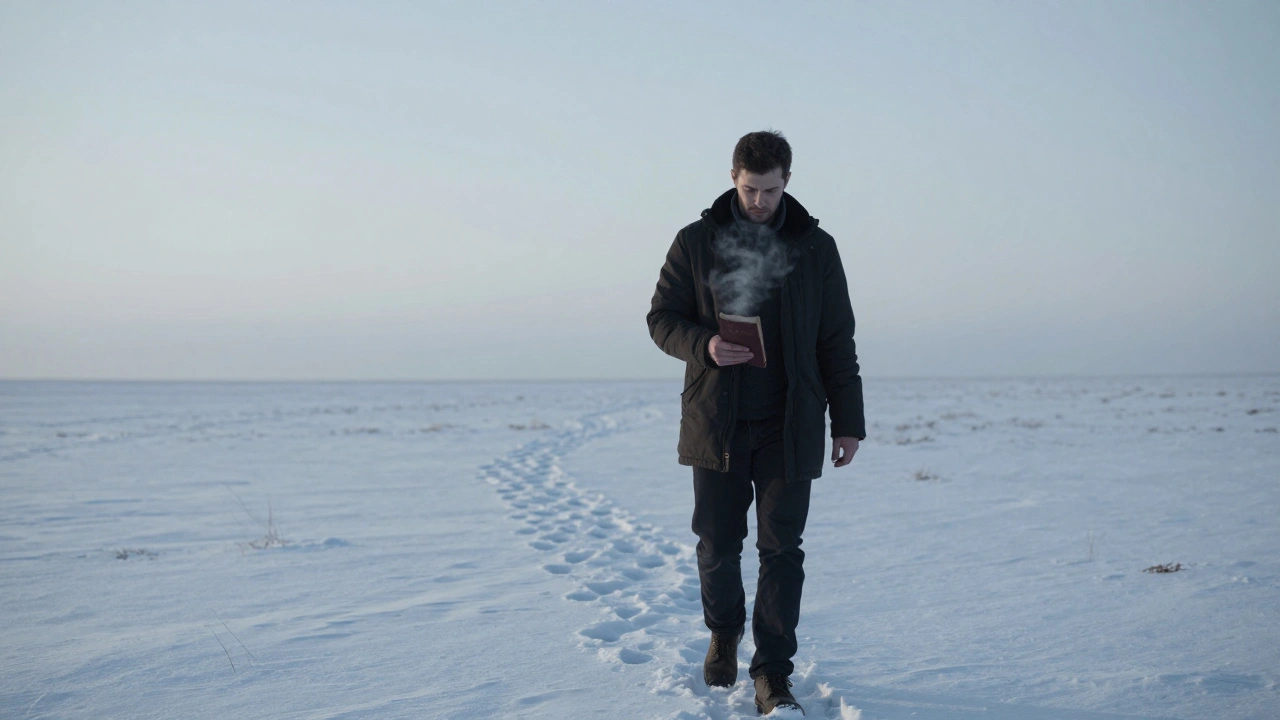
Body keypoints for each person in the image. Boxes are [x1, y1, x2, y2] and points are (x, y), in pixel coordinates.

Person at [647, 130, 865, 716]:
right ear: (733, 178)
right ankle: (723, 634)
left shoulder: (817, 248)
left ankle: (771, 673)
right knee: (717, 545)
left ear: (787, 182)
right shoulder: (695, 242)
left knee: (782, 551)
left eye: (770, 190)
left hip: (789, 426)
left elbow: (836, 340)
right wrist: (707, 344)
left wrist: (848, 423)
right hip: (716, 423)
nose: (760, 202)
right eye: (750, 190)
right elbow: (660, 319)